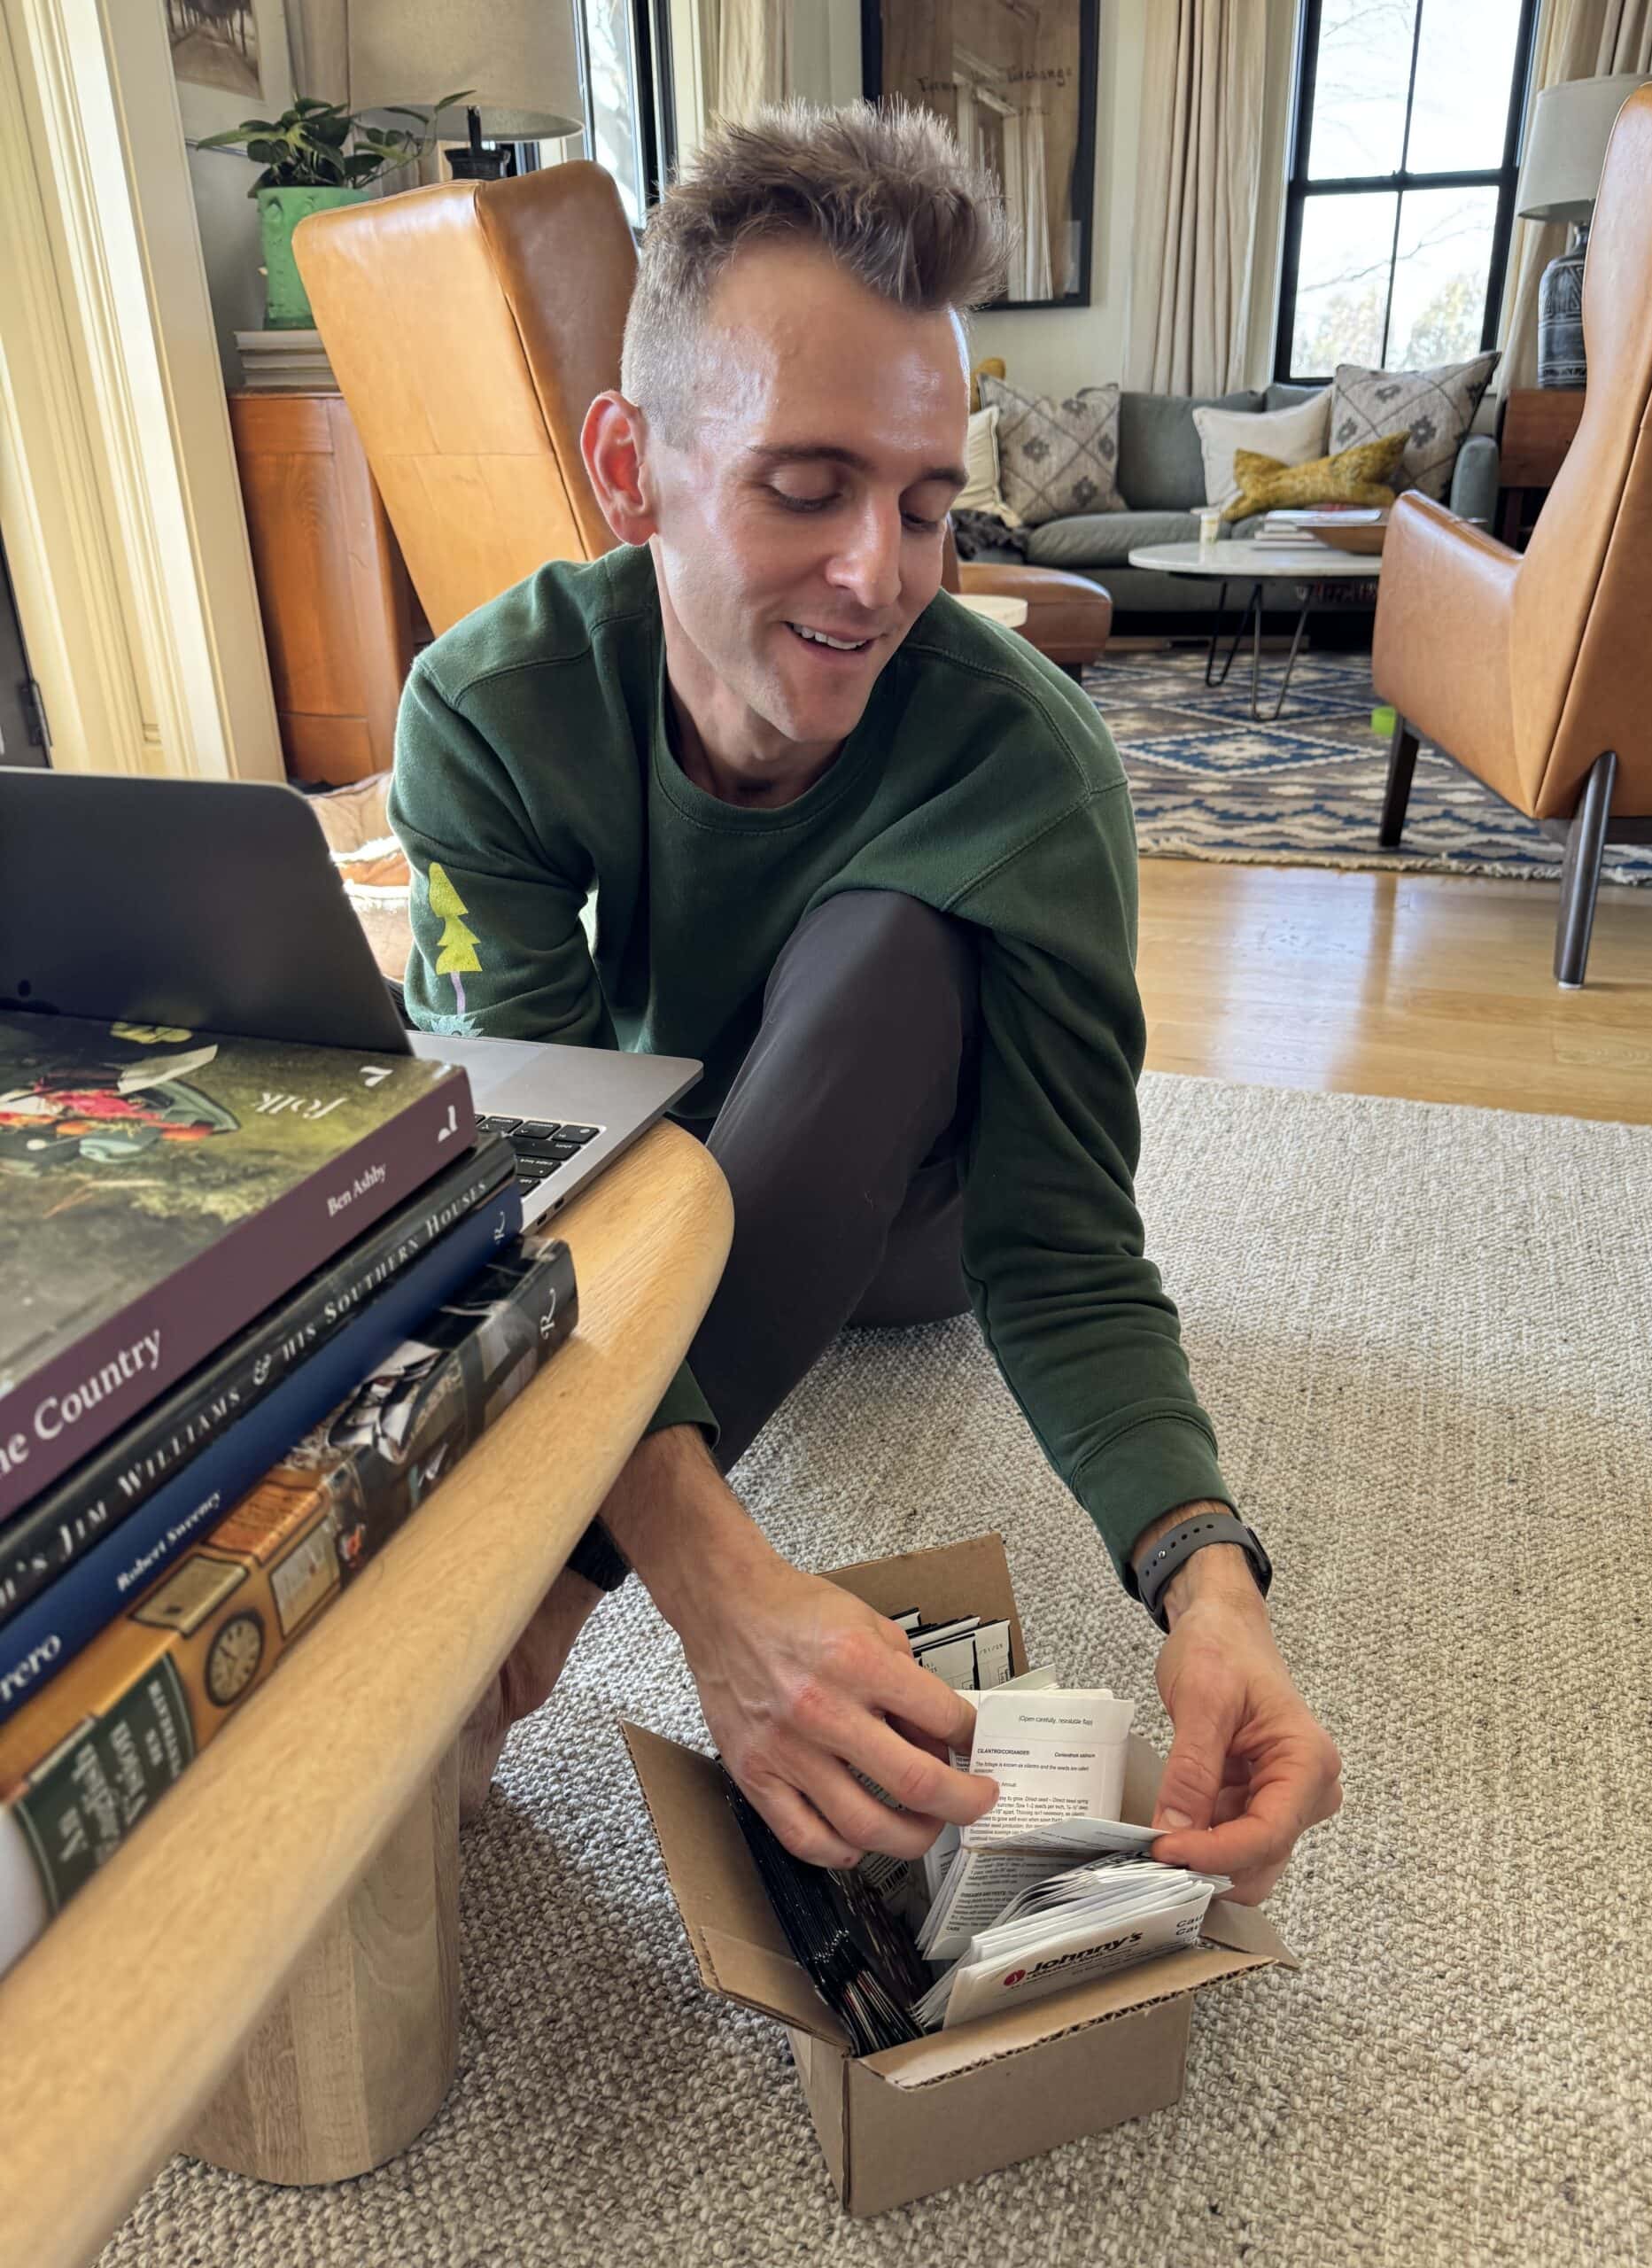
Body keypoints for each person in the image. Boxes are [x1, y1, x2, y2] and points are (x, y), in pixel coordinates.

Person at [388, 100, 1342, 1906]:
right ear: (632, 464)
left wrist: (1209, 1577)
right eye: (804, 488)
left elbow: (1061, 1243)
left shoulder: (1027, 762)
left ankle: (548, 1580)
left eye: (924, 504)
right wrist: (718, 1578)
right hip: (659, 1162)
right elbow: (515, 1182)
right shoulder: (489, 710)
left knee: (900, 948)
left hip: (912, 1222)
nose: (879, 577)